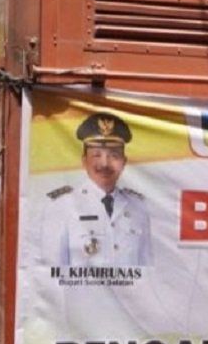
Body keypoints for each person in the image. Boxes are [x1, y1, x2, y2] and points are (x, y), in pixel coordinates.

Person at [37, 112, 153, 267]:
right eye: (97, 155)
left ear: (124, 162)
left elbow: (146, 270)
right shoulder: (62, 205)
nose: (105, 164)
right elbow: (52, 272)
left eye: (114, 155)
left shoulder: (138, 207)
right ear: (84, 161)